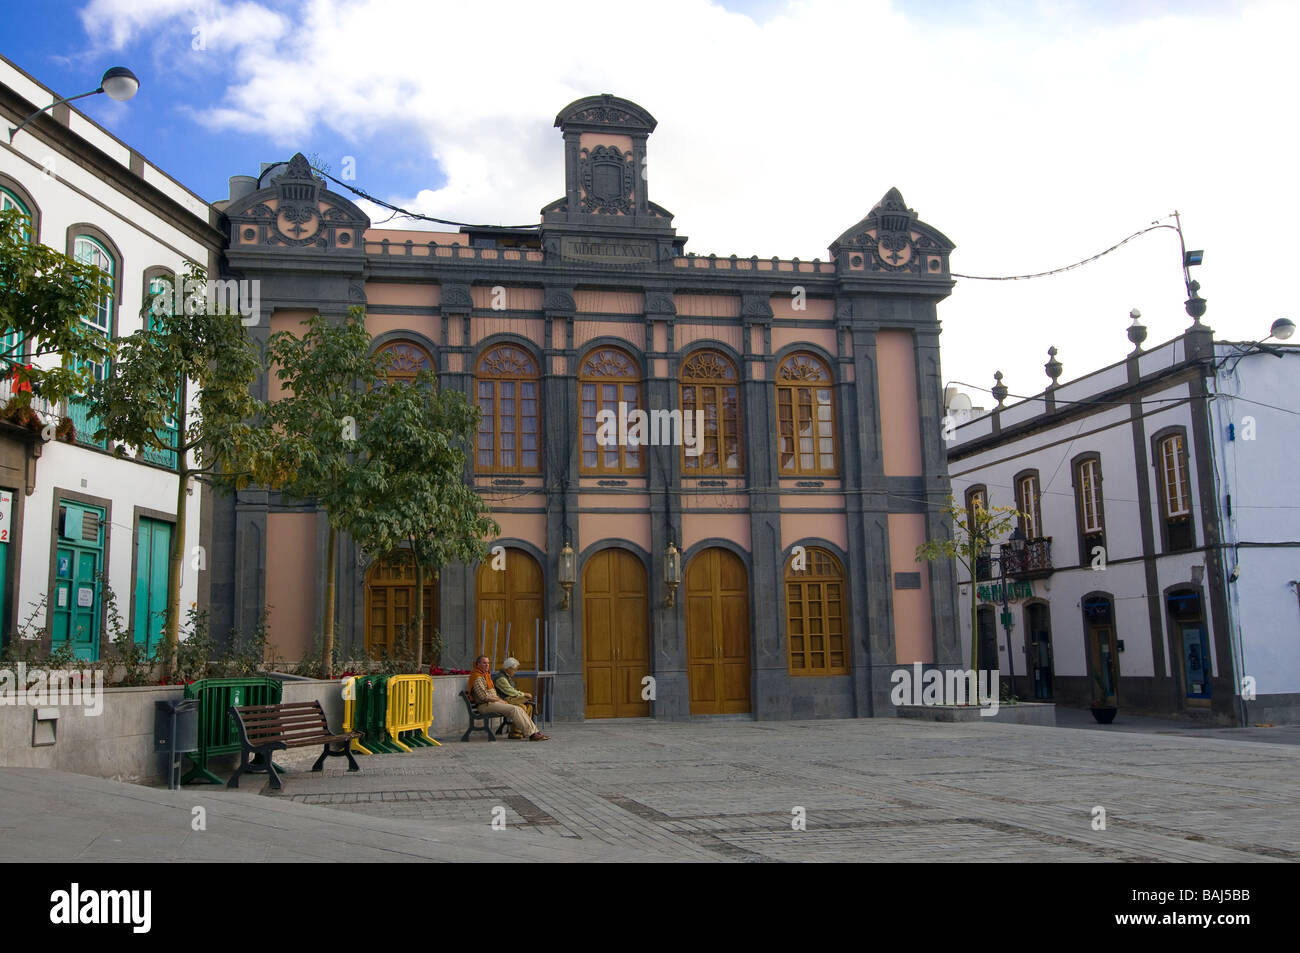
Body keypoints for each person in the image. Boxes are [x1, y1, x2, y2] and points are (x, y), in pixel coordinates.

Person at [467, 656, 548, 741]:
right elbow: (484, 696)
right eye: (484, 663)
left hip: (492, 703)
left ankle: (535, 732)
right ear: (478, 664)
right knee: (514, 709)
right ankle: (531, 734)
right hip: (484, 705)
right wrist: (499, 700)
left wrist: (499, 700)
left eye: (488, 663)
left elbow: (492, 693)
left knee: (518, 708)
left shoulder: (485, 675)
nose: (487, 665)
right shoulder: (477, 677)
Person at [495, 658, 536, 739]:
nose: (515, 671)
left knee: (530, 706)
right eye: (515, 669)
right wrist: (524, 694)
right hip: (504, 700)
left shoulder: (507, 676)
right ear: (509, 668)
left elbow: (513, 691)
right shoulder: (501, 678)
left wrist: (522, 695)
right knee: (522, 707)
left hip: (510, 699)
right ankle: (515, 733)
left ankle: (524, 731)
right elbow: (509, 691)